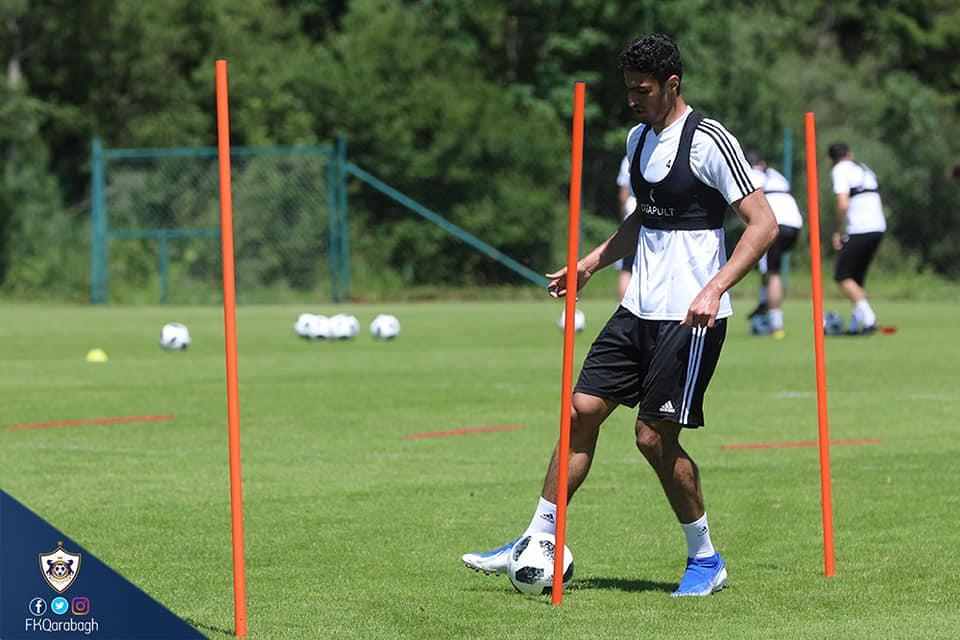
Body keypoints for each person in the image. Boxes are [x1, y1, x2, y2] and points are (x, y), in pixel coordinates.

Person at [462, 33, 778, 597]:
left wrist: (714, 288)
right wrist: (589, 264)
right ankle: (537, 539)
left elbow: (764, 224)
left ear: (672, 85)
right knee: (580, 411)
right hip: (636, 310)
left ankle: (706, 559)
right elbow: (642, 219)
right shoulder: (637, 139)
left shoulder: (709, 140)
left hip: (690, 318)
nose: (632, 99)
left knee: (652, 438)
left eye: (643, 90)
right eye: (628, 88)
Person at [827, 143, 886, 334]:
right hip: (878, 227)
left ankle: (869, 320)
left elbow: (842, 203)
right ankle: (855, 324)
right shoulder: (864, 169)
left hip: (860, 229)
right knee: (856, 279)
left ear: (831, 160)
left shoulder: (839, 169)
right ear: (850, 155)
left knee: (842, 276)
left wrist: (837, 230)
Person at [745, 150, 803, 339]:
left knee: (772, 273)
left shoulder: (750, 174)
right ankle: (763, 302)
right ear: (762, 163)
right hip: (795, 224)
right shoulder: (776, 175)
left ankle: (776, 324)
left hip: (775, 225)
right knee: (768, 267)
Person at [615, 155, 638, 299]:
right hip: (648, 216)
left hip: (631, 213)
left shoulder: (628, 157)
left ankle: (621, 305)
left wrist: (623, 217)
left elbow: (623, 195)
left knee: (626, 269)